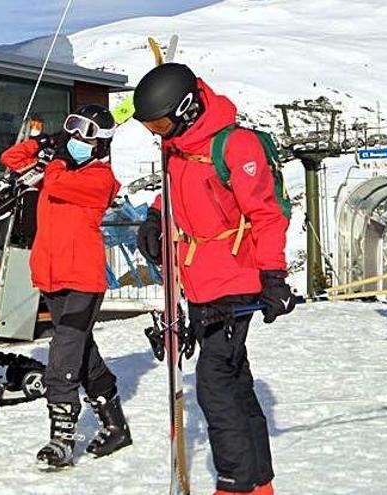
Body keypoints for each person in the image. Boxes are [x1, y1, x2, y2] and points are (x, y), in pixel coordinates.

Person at [134, 63, 294, 495]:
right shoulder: (179, 147)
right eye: (151, 126)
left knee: (215, 382)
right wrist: (153, 216)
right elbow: (172, 185)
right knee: (236, 380)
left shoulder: (235, 145)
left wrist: (273, 275)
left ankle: (236, 483)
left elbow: (266, 214)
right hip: (200, 280)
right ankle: (260, 482)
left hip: (237, 279)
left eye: (161, 123)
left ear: (186, 108)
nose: (157, 133)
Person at [0, 105, 131, 469]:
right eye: (71, 132)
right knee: (83, 354)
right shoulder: (58, 165)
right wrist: (43, 141)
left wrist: (53, 158)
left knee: (62, 356)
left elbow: (55, 182)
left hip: (82, 282)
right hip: (52, 277)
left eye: (83, 137)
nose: (74, 141)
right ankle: (116, 425)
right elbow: (11, 158)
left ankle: (61, 439)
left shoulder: (98, 178)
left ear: (101, 145)